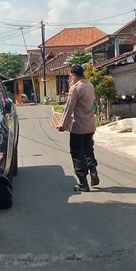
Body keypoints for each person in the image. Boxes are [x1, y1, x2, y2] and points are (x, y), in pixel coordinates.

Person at [57, 64, 99, 192]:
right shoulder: (90, 85)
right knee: (88, 149)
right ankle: (93, 171)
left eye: (70, 75)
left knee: (76, 153)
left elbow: (69, 108)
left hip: (78, 126)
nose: (70, 77)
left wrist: (62, 125)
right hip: (90, 125)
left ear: (73, 74)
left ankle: (83, 183)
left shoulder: (75, 88)